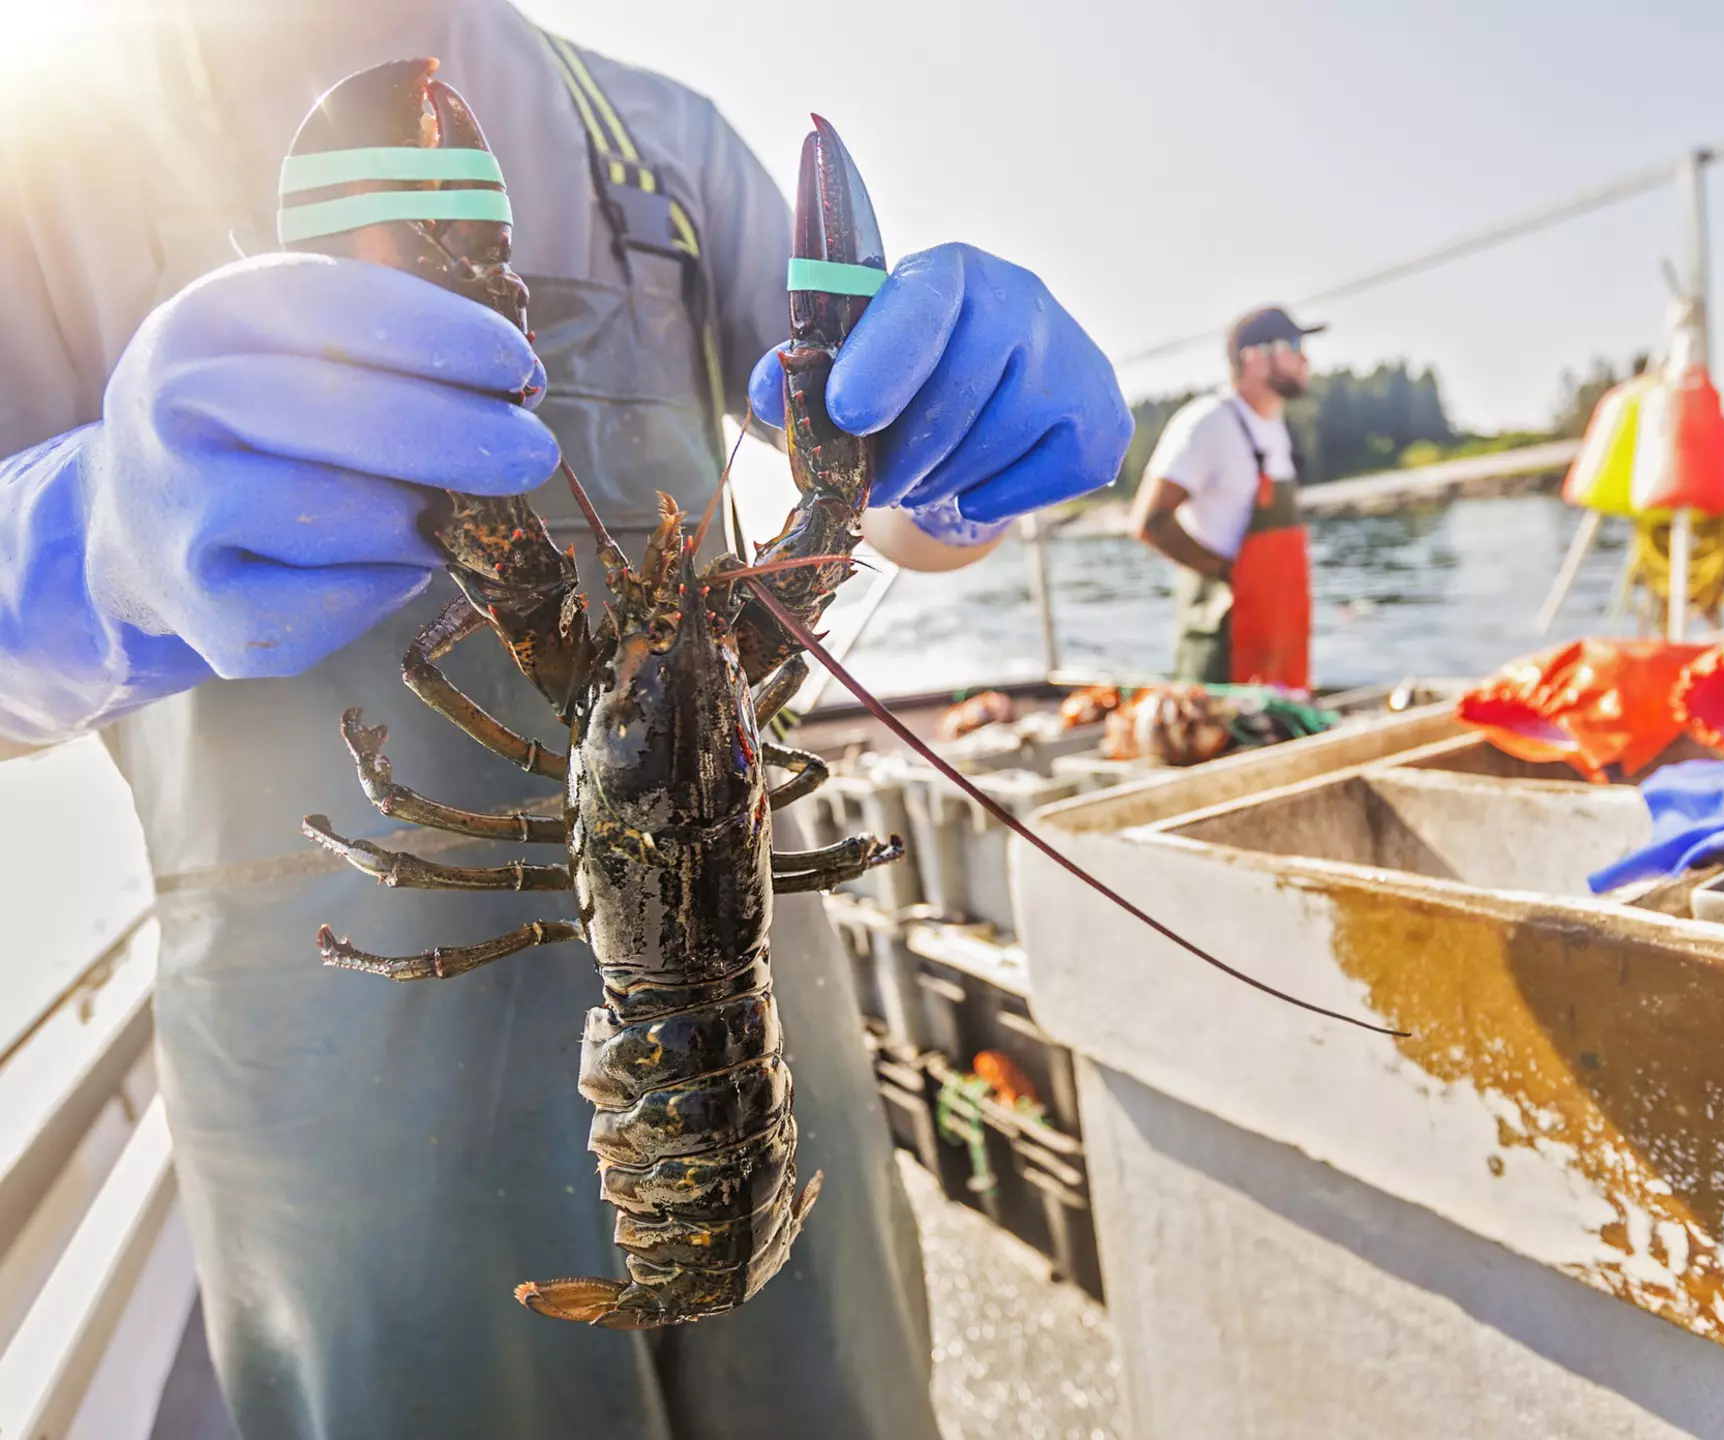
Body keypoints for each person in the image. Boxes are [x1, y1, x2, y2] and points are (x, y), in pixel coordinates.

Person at [0, 4, 1132, 1437]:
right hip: (343, 1093)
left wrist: (959, 463)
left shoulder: (652, 139)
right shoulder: (45, 147)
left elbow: (888, 499)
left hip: (764, 1035)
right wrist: (86, 543)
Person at [1129, 305, 1320, 689]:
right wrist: (1229, 573)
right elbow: (1148, 521)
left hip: (1279, 639)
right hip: (1224, 641)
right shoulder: (1208, 422)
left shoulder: (1273, 426)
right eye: (1293, 344)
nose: (1305, 358)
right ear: (1254, 358)